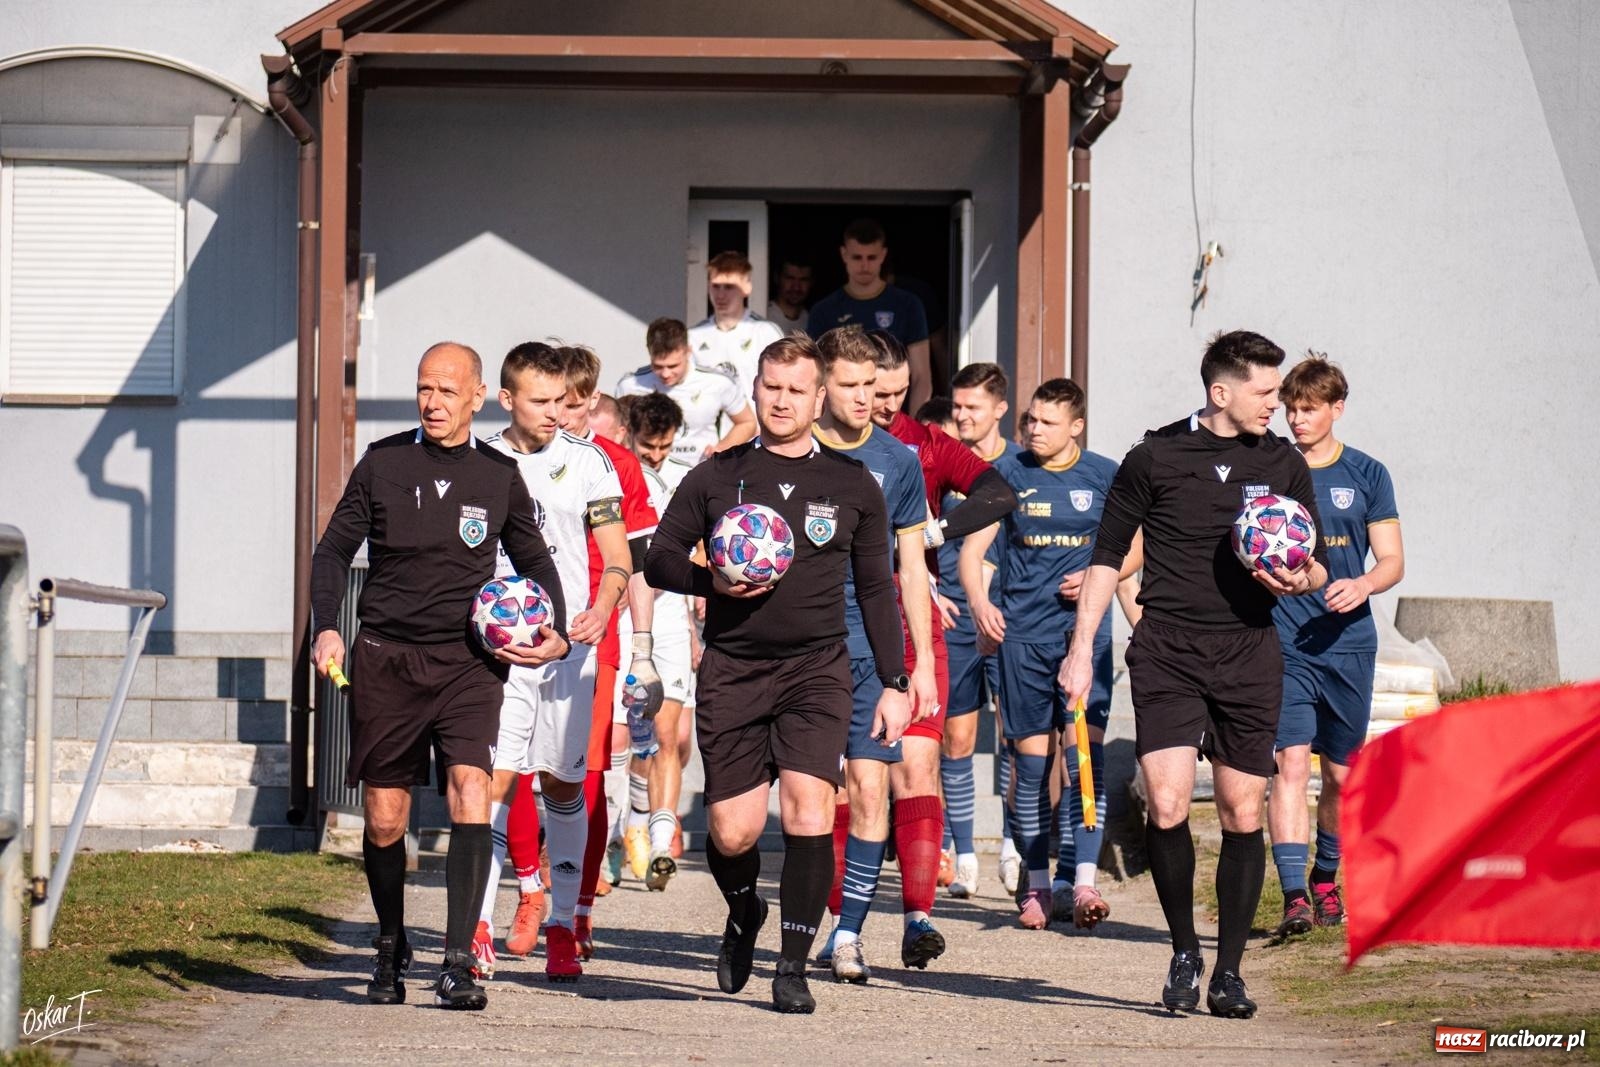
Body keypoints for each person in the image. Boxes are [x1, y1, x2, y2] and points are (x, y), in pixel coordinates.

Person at [1060, 330, 1330, 1020]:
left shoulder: (1283, 463)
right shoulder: (1154, 456)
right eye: (1265, 392)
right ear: (1221, 391)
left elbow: (1319, 564)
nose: (1276, 404)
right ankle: (1184, 949)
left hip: (1249, 651)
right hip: (1168, 649)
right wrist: (1081, 649)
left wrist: (1299, 576)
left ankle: (1229, 972)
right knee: (1168, 802)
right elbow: (1106, 557)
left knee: (1242, 810)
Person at [644, 334, 912, 1014]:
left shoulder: (852, 483)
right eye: (772, 387)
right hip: (732, 669)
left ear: (819, 398)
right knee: (732, 832)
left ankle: (791, 967)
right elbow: (660, 558)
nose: (783, 400)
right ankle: (744, 912)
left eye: (797, 389)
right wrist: (711, 580)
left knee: (808, 807)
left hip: (816, 669)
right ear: (755, 391)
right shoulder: (715, 476)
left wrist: (895, 680)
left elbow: (877, 588)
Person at [310, 341, 571, 1011]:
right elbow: (333, 550)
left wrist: (557, 629)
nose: (432, 402)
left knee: (470, 790)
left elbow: (536, 560)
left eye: (448, 391)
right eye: (425, 388)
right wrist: (327, 625)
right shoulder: (384, 463)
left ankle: (457, 962)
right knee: (385, 816)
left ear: (478, 397)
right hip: (387, 659)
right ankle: (389, 942)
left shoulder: (497, 475)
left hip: (468, 663)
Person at [475, 342, 629, 983]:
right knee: (492, 784)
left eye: (560, 400)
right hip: (496, 654)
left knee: (564, 786)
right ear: (506, 399)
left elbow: (617, 557)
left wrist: (603, 606)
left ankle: (563, 924)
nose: (554, 413)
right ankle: (477, 926)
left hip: (568, 650)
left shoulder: (588, 462)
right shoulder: (481, 459)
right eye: (540, 401)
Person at [958, 378, 1136, 930]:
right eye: (1031, 419)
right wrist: (980, 604)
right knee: (1030, 767)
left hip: (1083, 640)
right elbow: (973, 551)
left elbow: (1136, 547)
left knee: (1085, 759)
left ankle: (1082, 882)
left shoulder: (1104, 475)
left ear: (1076, 426)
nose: (1034, 429)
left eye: (1048, 422)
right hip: (1023, 641)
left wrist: (1101, 574)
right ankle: (1036, 884)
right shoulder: (1008, 474)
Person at [866, 330, 1018, 924]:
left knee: (919, 765)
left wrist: (936, 532)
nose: (888, 405)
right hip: (836, 620)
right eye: (877, 392)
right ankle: (840, 925)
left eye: (899, 392)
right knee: (849, 781)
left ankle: (918, 917)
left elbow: (998, 493)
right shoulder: (818, 441)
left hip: (911, 616)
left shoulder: (926, 442)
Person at [803, 326, 938, 984]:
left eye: (872, 385)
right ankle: (817, 917)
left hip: (867, 643)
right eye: (850, 385)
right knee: (809, 795)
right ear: (821, 386)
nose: (864, 398)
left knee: (869, 784)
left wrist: (921, 666)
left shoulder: (898, 461)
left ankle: (849, 933)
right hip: (798, 644)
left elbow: (911, 570)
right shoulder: (789, 447)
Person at [1267, 355, 1403, 939]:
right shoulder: (1270, 469)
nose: (1296, 420)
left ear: (1336, 409)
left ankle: (1326, 877)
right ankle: (1294, 896)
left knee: (1342, 777)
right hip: (1284, 640)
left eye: (1308, 409)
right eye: (1290, 410)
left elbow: (1392, 560)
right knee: (1290, 764)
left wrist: (1364, 584)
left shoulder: (1367, 473)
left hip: (1348, 644)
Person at [554, 345, 662, 959]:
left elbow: (640, 564)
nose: (560, 417)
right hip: (524, 633)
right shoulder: (509, 457)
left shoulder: (617, 464)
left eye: (571, 406)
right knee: (517, 776)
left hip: (600, 638)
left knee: (588, 776)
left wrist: (643, 648)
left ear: (592, 402)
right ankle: (527, 891)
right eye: (549, 404)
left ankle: (579, 910)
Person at [940, 362, 1022, 897]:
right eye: (958, 405)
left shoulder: (1020, 465)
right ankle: (964, 855)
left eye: (973, 406)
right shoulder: (944, 463)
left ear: (1000, 409)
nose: (963, 415)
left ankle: (1013, 847)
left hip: (1012, 619)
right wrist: (931, 591)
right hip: (954, 618)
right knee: (958, 738)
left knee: (1015, 737)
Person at [619, 391, 702, 889]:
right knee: (633, 735)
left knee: (672, 736)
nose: (654, 455)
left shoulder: (684, 479)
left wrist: (692, 621)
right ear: (630, 433)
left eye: (663, 447)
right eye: (647, 446)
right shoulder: (616, 473)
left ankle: (659, 843)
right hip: (625, 617)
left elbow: (697, 545)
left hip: (670, 617)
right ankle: (629, 822)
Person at [807, 218, 932, 412]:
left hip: (894, 416)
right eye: (857, 257)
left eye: (871, 257)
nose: (864, 265)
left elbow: (921, 376)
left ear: (883, 255)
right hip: (842, 417)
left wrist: (914, 426)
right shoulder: (823, 311)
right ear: (844, 254)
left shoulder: (908, 305)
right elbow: (813, 375)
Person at [617, 317, 755, 465]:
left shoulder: (718, 382)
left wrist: (721, 448)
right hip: (647, 472)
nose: (665, 374)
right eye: (658, 366)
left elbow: (747, 422)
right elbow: (618, 430)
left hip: (699, 470)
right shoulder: (630, 385)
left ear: (688, 351)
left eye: (673, 366)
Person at [688, 251, 785, 400]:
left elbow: (783, 382)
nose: (720, 295)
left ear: (747, 287)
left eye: (729, 287)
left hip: (755, 415)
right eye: (715, 286)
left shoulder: (765, 332)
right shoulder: (693, 336)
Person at [768, 258, 813, 334]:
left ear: (811, 282)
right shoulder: (764, 315)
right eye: (790, 278)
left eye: (803, 280)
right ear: (777, 278)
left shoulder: (814, 319)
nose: (796, 287)